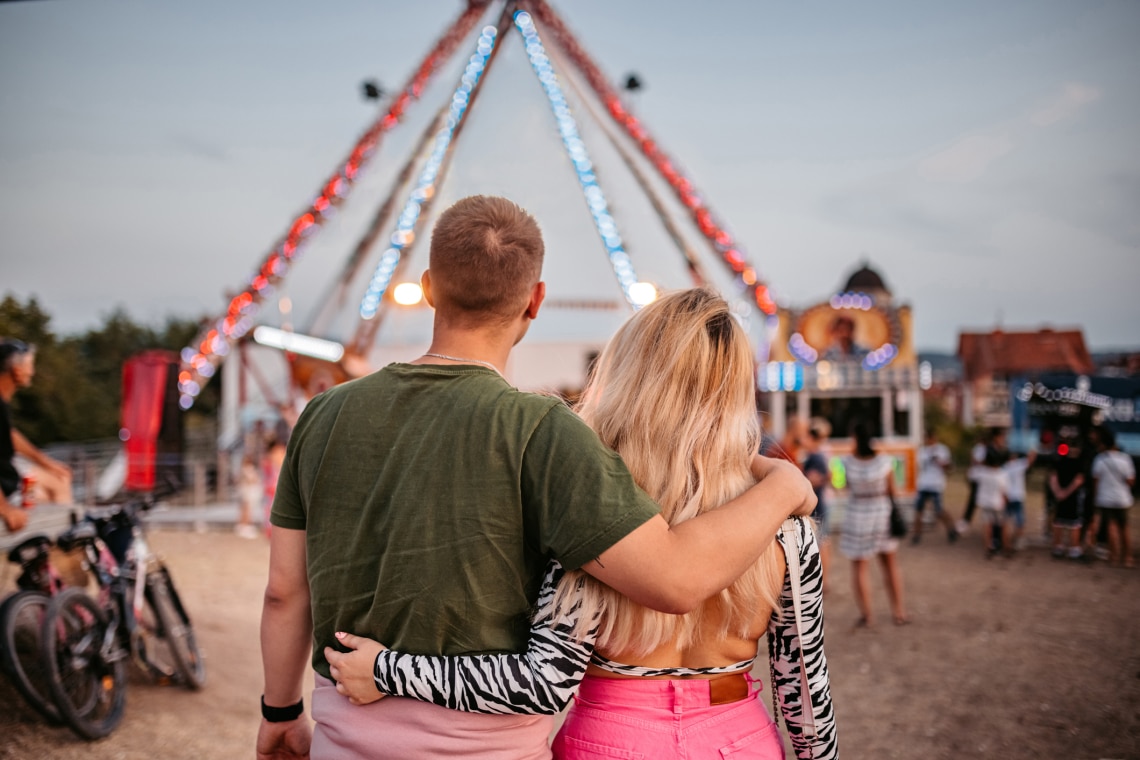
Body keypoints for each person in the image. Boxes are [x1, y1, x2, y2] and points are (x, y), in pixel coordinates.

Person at [257, 197, 816, 760]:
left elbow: (284, 592)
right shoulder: (545, 432)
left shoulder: (321, 417)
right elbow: (674, 578)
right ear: (536, 299)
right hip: (488, 746)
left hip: (344, 729)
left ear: (428, 287)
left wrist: (279, 713)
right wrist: (784, 485)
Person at [840, 419, 908, 627]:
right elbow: (892, 491)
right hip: (882, 514)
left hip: (857, 516)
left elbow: (844, 487)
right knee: (889, 565)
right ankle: (898, 612)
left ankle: (867, 615)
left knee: (860, 566)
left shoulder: (847, 462)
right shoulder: (884, 461)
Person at [0, 339, 73, 532]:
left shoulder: (3, 403)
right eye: (29, 366)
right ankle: (65, 540)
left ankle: (56, 541)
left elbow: (8, 435)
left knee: (55, 481)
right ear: (15, 369)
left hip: (11, 484)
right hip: (7, 492)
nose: (32, 372)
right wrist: (5, 509)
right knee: (56, 485)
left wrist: (46, 462)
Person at [1086, 428, 1135, 568]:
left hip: (1105, 498)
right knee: (1124, 527)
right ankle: (1128, 557)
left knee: (1110, 526)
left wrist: (1095, 498)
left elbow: (1095, 481)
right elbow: (1131, 481)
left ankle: (1113, 555)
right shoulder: (1125, 459)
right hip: (1123, 499)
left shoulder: (1100, 459)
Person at [802, 416, 834, 593]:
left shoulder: (815, 456)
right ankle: (825, 579)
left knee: (821, 542)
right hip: (823, 501)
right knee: (824, 541)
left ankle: (823, 580)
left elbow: (816, 479)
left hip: (818, 504)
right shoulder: (823, 454)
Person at [912, 428, 957, 543]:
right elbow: (919, 466)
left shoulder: (942, 450)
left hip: (936, 484)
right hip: (923, 484)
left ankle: (951, 528)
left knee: (939, 510)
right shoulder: (922, 451)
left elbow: (949, 467)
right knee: (919, 510)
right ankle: (917, 535)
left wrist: (941, 463)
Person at [1049, 437, 1086, 560]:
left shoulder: (1059, 461)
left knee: (1059, 520)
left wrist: (1058, 492)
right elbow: (1078, 481)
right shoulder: (1080, 463)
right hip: (1073, 497)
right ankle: (1074, 548)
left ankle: (1058, 547)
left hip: (1060, 496)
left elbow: (1053, 477)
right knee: (1074, 523)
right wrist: (1066, 492)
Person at [975, 447, 1011, 559]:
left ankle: (988, 548)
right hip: (997, 503)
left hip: (985, 502)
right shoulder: (1002, 474)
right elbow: (1005, 492)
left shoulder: (981, 472)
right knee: (1002, 525)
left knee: (987, 526)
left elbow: (971, 475)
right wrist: (1007, 501)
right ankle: (1005, 548)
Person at [1002, 447, 1037, 552]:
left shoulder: (1003, 467)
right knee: (1020, 522)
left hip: (1007, 497)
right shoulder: (1018, 464)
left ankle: (1006, 543)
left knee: (1005, 521)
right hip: (1017, 497)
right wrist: (1030, 446)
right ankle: (1015, 541)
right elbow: (1032, 458)